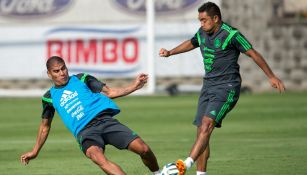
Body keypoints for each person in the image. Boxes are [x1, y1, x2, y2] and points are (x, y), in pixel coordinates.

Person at [159, 2, 285, 175]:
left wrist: (271, 76)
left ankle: (184, 165)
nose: (201, 24)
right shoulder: (202, 32)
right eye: (199, 20)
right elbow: (192, 42)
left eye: (204, 20)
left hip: (227, 87)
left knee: (206, 125)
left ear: (216, 18)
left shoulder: (231, 34)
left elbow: (253, 53)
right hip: (208, 86)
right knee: (202, 135)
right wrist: (170, 52)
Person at [20, 56, 161, 175]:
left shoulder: (82, 78)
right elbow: (45, 127)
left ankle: (158, 173)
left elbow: (110, 92)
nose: (62, 73)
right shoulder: (49, 97)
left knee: (144, 149)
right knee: (98, 158)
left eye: (64, 68)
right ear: (49, 74)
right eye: (56, 71)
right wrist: (35, 151)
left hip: (105, 121)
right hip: (85, 132)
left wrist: (134, 86)